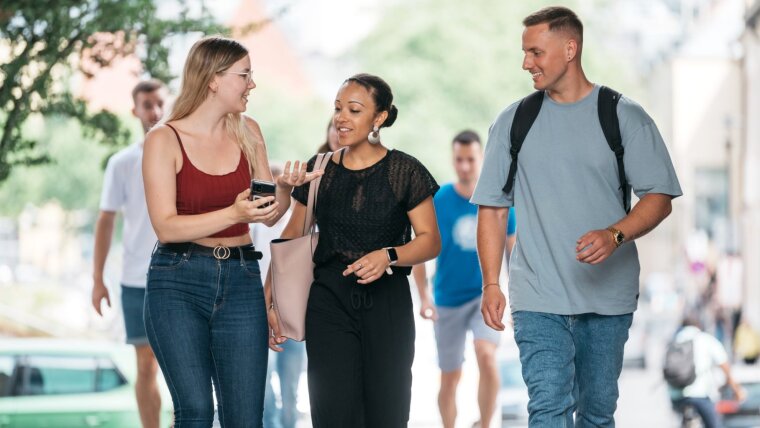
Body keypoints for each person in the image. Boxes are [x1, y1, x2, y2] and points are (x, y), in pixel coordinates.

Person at [471, 6, 683, 427]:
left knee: (597, 415)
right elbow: (493, 209)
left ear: (570, 49)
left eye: (536, 52)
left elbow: (659, 196)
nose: (526, 63)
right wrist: (492, 282)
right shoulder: (514, 122)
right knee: (548, 409)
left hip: (608, 300)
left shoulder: (624, 116)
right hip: (538, 298)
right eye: (524, 52)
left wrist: (615, 235)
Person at [141, 35, 320, 427]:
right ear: (213, 80)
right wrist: (232, 212)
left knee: (244, 418)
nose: (252, 84)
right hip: (178, 281)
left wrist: (287, 189)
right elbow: (166, 227)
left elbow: (267, 216)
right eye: (245, 75)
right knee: (196, 411)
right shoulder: (163, 139)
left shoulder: (249, 131)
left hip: (241, 278)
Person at [267, 73, 441, 428]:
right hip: (328, 302)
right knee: (332, 414)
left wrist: (388, 255)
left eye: (354, 109)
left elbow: (429, 240)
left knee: (387, 414)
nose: (341, 117)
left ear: (379, 118)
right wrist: (269, 300)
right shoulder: (320, 169)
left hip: (387, 303)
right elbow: (291, 237)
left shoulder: (405, 170)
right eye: (337, 108)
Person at [412, 130, 515, 428]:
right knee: (450, 376)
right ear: (453, 160)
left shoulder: (498, 199)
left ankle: (484, 424)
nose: (465, 166)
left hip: (484, 296)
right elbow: (421, 249)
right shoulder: (440, 199)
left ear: (480, 158)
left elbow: (514, 253)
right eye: (460, 160)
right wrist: (424, 298)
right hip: (447, 300)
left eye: (471, 159)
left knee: (486, 356)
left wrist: (517, 301)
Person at [91, 79, 166, 428]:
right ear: (135, 110)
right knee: (146, 363)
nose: (155, 111)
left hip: (178, 275)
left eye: (159, 103)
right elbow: (105, 221)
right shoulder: (121, 163)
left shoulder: (180, 154)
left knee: (187, 362)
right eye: (147, 104)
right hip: (136, 278)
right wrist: (97, 280)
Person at [253, 163, 305, 428]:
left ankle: (288, 423)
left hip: (294, 312)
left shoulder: (301, 221)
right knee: (263, 383)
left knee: (291, 387)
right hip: (262, 309)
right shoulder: (256, 227)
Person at [669, 316, 747, 428]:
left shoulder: (675, 340)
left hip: (676, 397)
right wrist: (736, 390)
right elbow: (724, 365)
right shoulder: (705, 339)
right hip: (699, 395)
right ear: (698, 326)